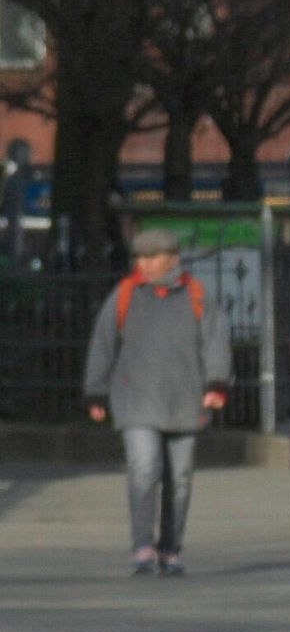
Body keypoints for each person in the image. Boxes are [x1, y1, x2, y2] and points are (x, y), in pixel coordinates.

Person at [81, 233, 234, 575]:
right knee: (144, 469)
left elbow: (215, 342)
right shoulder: (123, 295)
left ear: (173, 259)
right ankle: (143, 546)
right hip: (134, 400)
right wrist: (95, 392)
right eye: (140, 257)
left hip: (185, 399)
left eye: (153, 257)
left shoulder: (196, 295)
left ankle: (170, 549)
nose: (144, 264)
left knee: (179, 478)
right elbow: (103, 344)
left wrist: (216, 384)